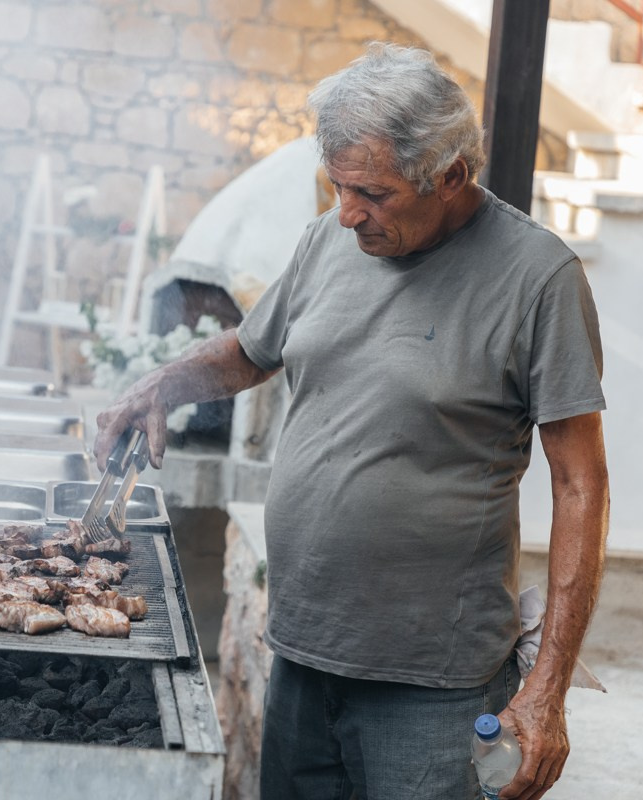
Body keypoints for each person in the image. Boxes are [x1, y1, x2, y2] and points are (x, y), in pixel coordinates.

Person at [94, 43, 609, 800]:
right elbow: (251, 349)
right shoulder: (329, 240)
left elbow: (580, 484)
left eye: (372, 192)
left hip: (433, 690)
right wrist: (163, 385)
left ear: (452, 177)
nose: (347, 212)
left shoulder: (538, 280)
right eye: (337, 186)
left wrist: (548, 690)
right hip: (303, 659)